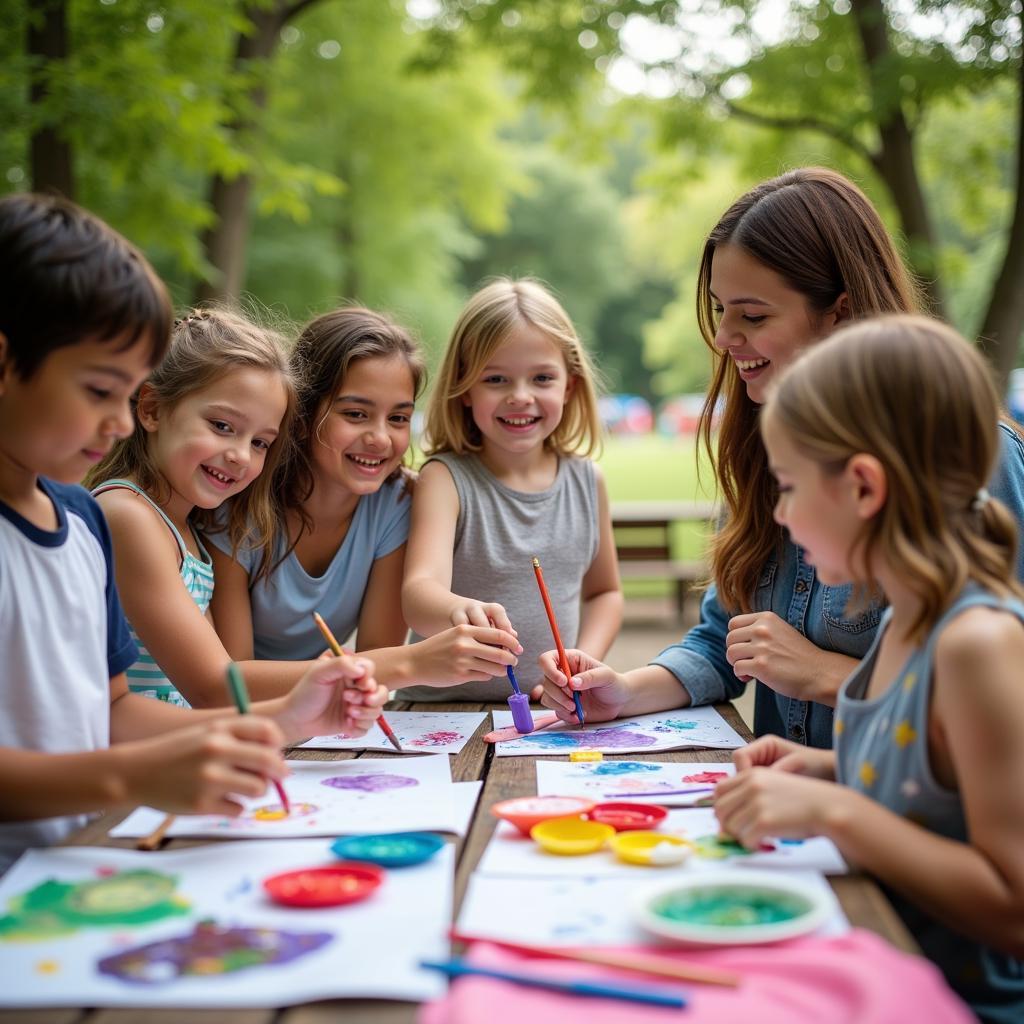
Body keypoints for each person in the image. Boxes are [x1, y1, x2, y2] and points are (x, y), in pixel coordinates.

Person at [537, 167, 1024, 743]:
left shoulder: (974, 459)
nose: (723, 338)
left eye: (754, 315)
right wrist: (622, 692)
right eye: (721, 311)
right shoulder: (767, 446)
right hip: (792, 815)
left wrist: (823, 674)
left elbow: (1001, 694)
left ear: (839, 310)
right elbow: (726, 640)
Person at [0, 193, 385, 874]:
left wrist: (289, 721)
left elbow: (116, 713)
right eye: (99, 391)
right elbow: (129, 745)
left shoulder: (81, 523)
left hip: (85, 861)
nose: (118, 422)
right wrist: (132, 778)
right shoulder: (120, 515)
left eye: (126, 396)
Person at [713, 316, 1024, 1023]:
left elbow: (1014, 906)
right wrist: (820, 768)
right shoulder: (900, 623)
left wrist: (833, 809)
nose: (781, 517)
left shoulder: (976, 644)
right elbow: (933, 792)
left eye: (788, 487)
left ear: (862, 487)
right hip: (877, 968)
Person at [208, 307, 522, 688]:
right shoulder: (238, 503)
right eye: (356, 414)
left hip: (321, 712)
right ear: (303, 416)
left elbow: (378, 662)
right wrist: (408, 663)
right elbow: (233, 681)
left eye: (398, 418)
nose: (381, 439)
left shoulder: (396, 504)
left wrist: (366, 672)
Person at [402, 278, 622, 700]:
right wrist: (454, 611)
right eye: (497, 379)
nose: (520, 397)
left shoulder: (587, 480)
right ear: (465, 389)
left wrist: (578, 666)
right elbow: (417, 594)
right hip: (441, 716)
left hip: (547, 716)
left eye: (541, 378)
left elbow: (605, 593)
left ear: (569, 386)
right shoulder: (445, 479)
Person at [87, 310, 306, 706]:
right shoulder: (127, 515)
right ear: (152, 409)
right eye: (222, 426)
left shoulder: (187, 530)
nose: (241, 455)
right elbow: (213, 687)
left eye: (260, 442)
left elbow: (219, 679)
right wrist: (398, 664)